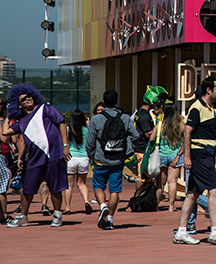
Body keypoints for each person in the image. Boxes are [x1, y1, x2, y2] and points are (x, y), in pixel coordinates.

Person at [173, 76, 216, 245]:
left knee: (191, 195)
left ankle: (181, 232)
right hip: (200, 155)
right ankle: (215, 231)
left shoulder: (210, 110)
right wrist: (187, 157)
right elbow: (187, 132)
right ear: (209, 90)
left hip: (206, 155)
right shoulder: (197, 108)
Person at [3, 84, 70, 228]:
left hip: (54, 155)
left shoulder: (45, 108)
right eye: (23, 99)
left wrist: (65, 146)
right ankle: (23, 217)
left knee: (55, 188)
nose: (28, 99)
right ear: (19, 105)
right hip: (35, 159)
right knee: (27, 189)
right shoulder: (22, 122)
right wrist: (9, 114)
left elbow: (62, 123)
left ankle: (57, 215)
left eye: (29, 96)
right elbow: (5, 132)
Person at [85, 89, 140, 230]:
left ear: (104, 101)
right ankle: (110, 220)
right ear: (116, 102)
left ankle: (103, 206)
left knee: (98, 186)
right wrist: (130, 150)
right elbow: (135, 135)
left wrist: (91, 156)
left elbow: (90, 142)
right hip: (118, 160)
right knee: (115, 190)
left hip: (100, 160)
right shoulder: (125, 118)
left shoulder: (96, 119)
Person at [153, 102, 184, 212]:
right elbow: (186, 140)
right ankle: (171, 206)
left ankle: (156, 205)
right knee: (172, 182)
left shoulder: (160, 125)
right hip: (175, 155)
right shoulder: (180, 125)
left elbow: (152, 139)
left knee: (160, 183)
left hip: (161, 155)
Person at [64, 110, 92, 215]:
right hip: (84, 158)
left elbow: (65, 142)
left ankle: (67, 207)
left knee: (69, 185)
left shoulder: (68, 129)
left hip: (71, 157)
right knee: (82, 183)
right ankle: (86, 201)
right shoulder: (87, 130)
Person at [131, 88, 157, 191]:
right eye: (155, 102)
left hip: (139, 147)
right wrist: (158, 130)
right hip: (142, 149)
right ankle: (137, 198)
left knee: (147, 178)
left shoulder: (139, 112)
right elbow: (147, 133)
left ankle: (143, 198)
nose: (156, 104)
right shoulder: (145, 115)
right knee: (142, 177)